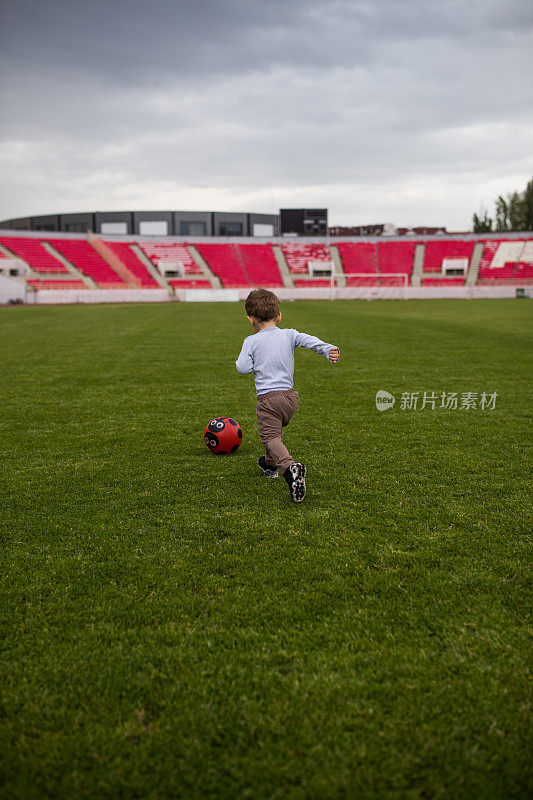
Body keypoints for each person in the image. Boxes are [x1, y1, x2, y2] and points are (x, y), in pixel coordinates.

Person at [235, 288, 340, 503]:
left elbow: (243, 368)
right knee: (274, 433)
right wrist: (327, 349)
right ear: (279, 316)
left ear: (250, 319)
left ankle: (290, 468)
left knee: (270, 437)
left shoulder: (250, 341)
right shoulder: (289, 334)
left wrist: (254, 360)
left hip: (268, 400)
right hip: (291, 399)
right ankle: (269, 464)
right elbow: (309, 340)